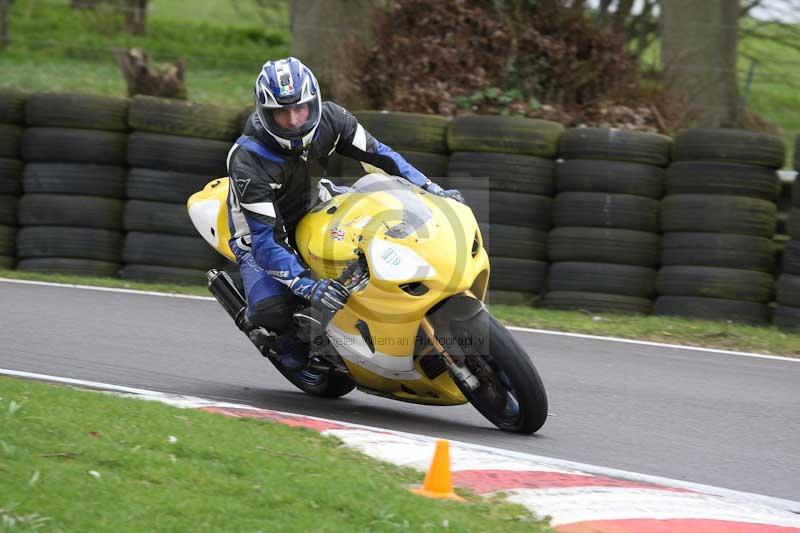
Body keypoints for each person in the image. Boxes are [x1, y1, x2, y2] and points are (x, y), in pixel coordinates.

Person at [226, 56, 463, 370]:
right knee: (274, 313)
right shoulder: (248, 159)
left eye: (302, 108)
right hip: (258, 233)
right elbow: (266, 240)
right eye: (283, 113)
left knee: (383, 234)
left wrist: (432, 190)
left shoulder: (332, 118)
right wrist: (307, 285)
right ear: (264, 112)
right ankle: (279, 344)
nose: (296, 120)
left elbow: (381, 157)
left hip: (316, 203)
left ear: (315, 102)